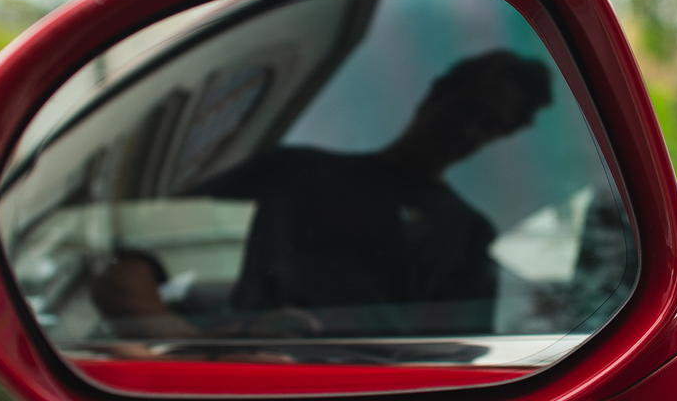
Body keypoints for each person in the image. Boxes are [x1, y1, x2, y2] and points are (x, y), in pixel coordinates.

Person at [91, 49, 554, 340]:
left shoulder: (470, 235)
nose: (468, 130)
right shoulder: (291, 170)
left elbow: (457, 363)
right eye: (467, 108)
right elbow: (126, 270)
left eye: (490, 124)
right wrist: (198, 351)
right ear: (434, 93)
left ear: (500, 137)